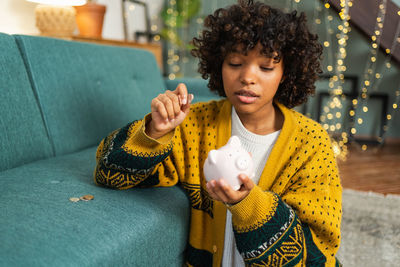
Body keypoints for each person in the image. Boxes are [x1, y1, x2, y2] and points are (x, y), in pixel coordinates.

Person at [94, 0, 342, 266]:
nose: (248, 77)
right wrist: (155, 131)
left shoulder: (312, 143)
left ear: (286, 73)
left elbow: (316, 252)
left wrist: (248, 204)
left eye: (266, 67)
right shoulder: (195, 125)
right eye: (235, 63)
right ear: (218, 65)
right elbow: (108, 174)